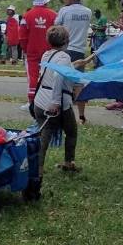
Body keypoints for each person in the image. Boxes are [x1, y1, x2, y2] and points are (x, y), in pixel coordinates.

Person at [33, 25, 81, 175]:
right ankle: (68, 162)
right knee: (72, 131)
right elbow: (59, 76)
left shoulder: (47, 55)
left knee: (43, 137)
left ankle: (38, 169)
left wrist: (77, 64)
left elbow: (59, 69)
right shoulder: (65, 57)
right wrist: (55, 102)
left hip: (39, 101)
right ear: (66, 40)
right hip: (55, 104)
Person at [22, 0, 58, 102]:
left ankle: (32, 102)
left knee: (33, 76)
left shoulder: (27, 15)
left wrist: (25, 49)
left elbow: (22, 36)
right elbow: (58, 33)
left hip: (32, 51)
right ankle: (47, 101)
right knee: (49, 76)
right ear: (46, 2)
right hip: (50, 51)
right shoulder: (54, 15)